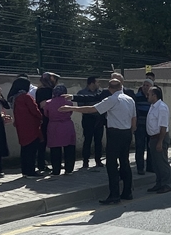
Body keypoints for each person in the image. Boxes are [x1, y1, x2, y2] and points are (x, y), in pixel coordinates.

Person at [62, 74, 136, 205]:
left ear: (109, 88)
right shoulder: (129, 99)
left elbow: (92, 109)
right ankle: (127, 192)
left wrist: (71, 108)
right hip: (126, 132)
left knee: (111, 164)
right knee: (124, 162)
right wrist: (131, 132)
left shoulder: (112, 99)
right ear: (121, 86)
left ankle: (114, 195)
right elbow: (133, 118)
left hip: (115, 133)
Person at [9, 77, 43, 179]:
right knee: (32, 150)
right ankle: (31, 171)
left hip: (21, 126)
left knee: (25, 149)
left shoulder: (15, 98)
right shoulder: (26, 97)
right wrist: (41, 117)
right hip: (31, 126)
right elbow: (34, 110)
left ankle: (25, 171)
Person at [45, 83, 77, 175]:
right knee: (69, 148)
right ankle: (69, 169)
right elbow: (70, 112)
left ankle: (56, 170)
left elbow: (46, 114)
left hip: (54, 126)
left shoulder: (48, 103)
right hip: (67, 126)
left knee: (55, 149)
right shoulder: (68, 103)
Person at [74, 76, 106, 170]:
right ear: (92, 83)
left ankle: (98, 160)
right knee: (87, 140)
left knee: (98, 141)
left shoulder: (100, 93)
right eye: (97, 82)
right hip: (88, 119)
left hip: (99, 119)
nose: (99, 84)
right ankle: (85, 161)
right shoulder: (82, 93)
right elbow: (81, 108)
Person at [145, 86, 171, 193]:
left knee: (162, 162)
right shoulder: (153, 106)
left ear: (154, 96)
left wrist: (160, 142)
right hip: (153, 138)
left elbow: (163, 126)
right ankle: (159, 183)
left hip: (160, 138)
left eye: (149, 94)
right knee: (155, 163)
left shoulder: (161, 107)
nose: (147, 96)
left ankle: (166, 184)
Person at [132, 78, 154, 175]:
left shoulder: (153, 98)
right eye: (144, 85)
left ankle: (150, 166)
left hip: (150, 126)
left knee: (151, 147)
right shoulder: (137, 97)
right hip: (140, 125)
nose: (145, 87)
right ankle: (140, 168)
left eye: (147, 85)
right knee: (140, 147)